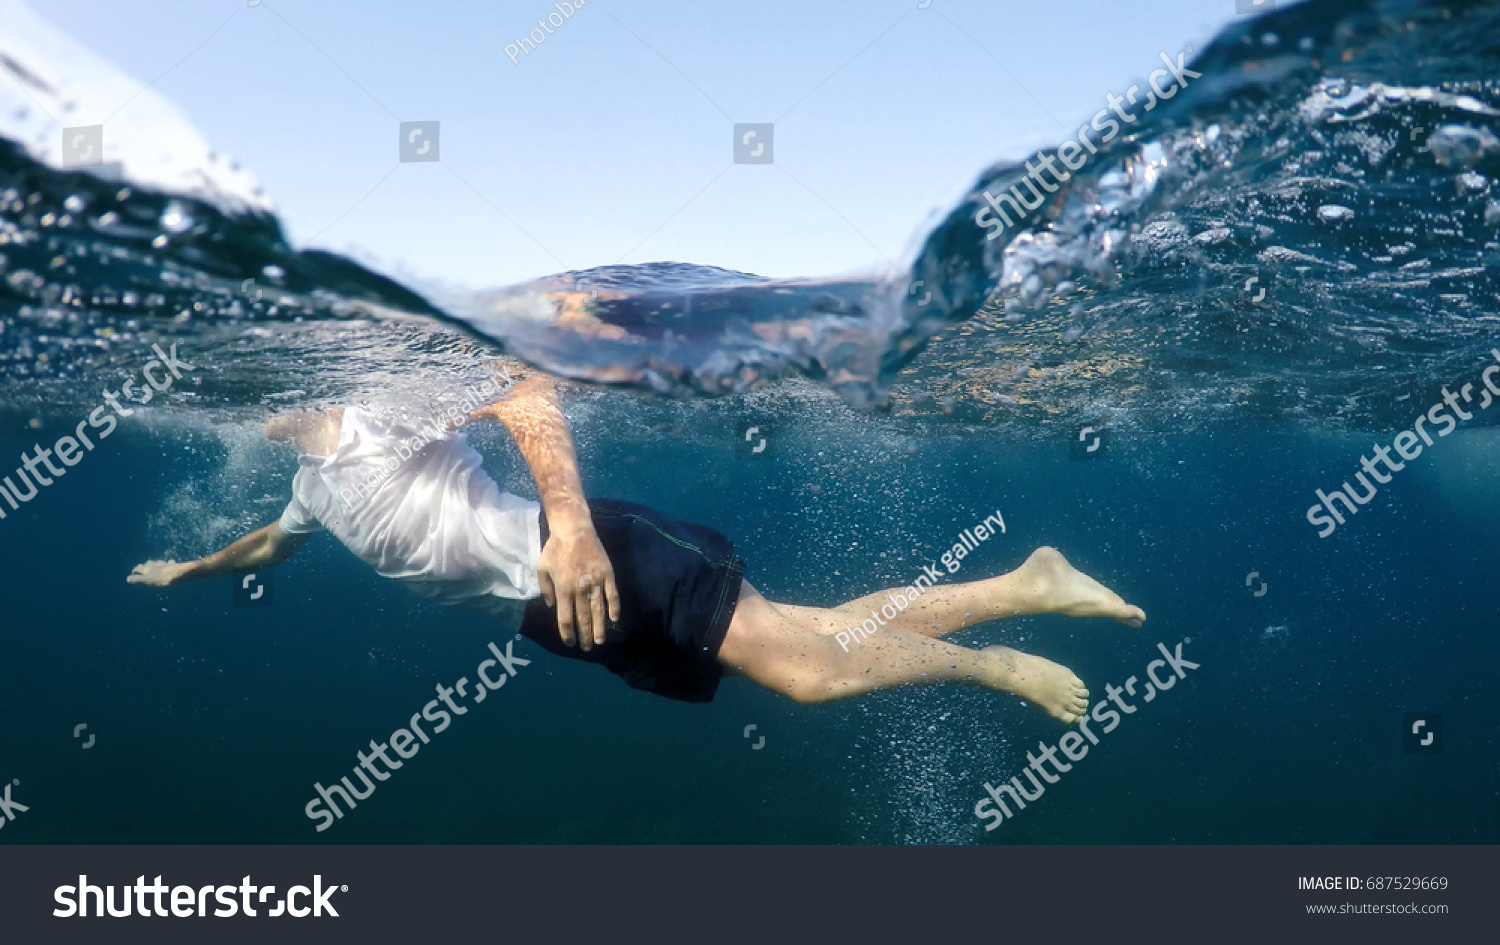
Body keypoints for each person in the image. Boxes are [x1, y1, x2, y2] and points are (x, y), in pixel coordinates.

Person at [128, 368, 1145, 724]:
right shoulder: (312, 483)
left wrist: (569, 528)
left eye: (248, 397)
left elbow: (528, 392)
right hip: (559, 619)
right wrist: (193, 568)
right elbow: (271, 542)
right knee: (820, 638)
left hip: (591, 554)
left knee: (810, 677)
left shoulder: (372, 418)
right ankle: (1026, 582)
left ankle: (994, 668)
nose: (245, 416)